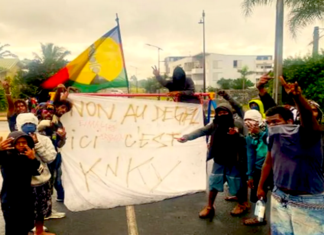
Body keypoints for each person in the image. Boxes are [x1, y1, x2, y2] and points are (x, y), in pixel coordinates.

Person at [257, 76, 324, 235]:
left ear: (289, 121)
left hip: (307, 201)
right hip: (279, 196)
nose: (271, 126)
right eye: (269, 123)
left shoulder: (306, 135)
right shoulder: (273, 137)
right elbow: (268, 162)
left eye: (275, 122)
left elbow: (308, 117)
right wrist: (260, 186)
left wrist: (297, 97)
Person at [177, 103, 249, 219]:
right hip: (219, 160)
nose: (222, 115)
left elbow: (246, 141)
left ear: (230, 113)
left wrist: (237, 134)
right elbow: (201, 131)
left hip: (235, 161)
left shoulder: (238, 124)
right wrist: (186, 137)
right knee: (214, 183)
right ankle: (210, 207)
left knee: (237, 183)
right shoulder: (215, 125)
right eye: (220, 113)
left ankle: (242, 204)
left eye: (225, 112)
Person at [16, 113, 57, 235]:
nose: (29, 126)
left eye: (31, 123)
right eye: (25, 124)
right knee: (23, 211)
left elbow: (50, 158)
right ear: (19, 125)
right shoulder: (15, 139)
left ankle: (39, 231)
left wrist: (37, 145)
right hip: (23, 183)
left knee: (41, 210)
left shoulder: (44, 140)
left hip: (42, 181)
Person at [0, 132, 42, 235]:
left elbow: (36, 172)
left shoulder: (27, 156)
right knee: (12, 228)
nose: (21, 145)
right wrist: (0, 151)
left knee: (25, 227)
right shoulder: (7, 156)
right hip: (10, 200)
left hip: (26, 199)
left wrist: (33, 159)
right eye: (18, 142)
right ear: (12, 143)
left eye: (24, 142)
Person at [242, 110, 272, 226]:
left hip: (274, 169)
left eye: (251, 122)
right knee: (259, 195)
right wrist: (250, 174)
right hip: (258, 169)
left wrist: (260, 133)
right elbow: (250, 155)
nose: (249, 125)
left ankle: (280, 220)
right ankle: (260, 218)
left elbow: (270, 141)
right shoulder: (249, 137)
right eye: (246, 122)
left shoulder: (269, 131)